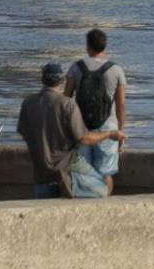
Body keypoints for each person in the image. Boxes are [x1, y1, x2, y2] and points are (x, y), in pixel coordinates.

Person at [17, 60, 123, 198]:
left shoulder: (28, 103)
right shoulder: (67, 105)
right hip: (66, 167)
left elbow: (24, 133)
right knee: (105, 184)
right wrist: (110, 134)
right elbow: (84, 138)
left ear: (42, 79)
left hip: (40, 171)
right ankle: (69, 184)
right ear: (61, 81)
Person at [65, 28, 127, 194]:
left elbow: (66, 100)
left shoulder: (75, 68)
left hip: (82, 127)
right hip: (108, 127)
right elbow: (121, 105)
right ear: (105, 46)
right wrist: (121, 131)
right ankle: (104, 205)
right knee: (105, 173)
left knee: (81, 173)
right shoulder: (116, 70)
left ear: (87, 46)